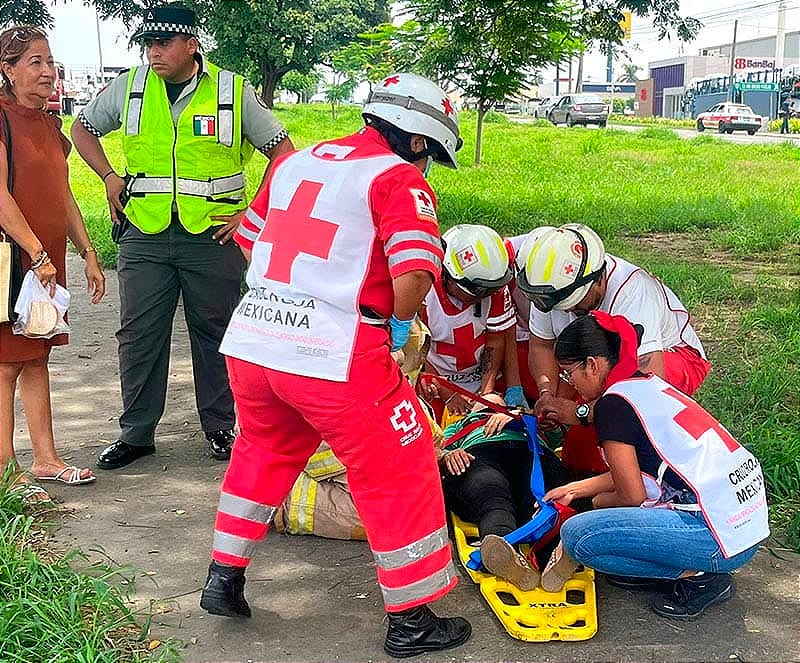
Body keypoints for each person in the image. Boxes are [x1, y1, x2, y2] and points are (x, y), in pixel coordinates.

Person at [199, 72, 471, 658]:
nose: (427, 167)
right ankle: (412, 620)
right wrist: (393, 323)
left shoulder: (293, 165)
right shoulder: (397, 178)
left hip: (254, 342)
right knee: (399, 466)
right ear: (417, 140)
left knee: (262, 450)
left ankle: (224, 575)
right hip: (336, 354)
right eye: (430, 154)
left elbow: (249, 239)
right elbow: (414, 273)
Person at [70, 4, 294, 469]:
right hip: (144, 232)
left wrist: (253, 214)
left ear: (192, 45)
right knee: (138, 334)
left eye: (163, 43)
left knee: (216, 331)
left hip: (213, 237)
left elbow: (284, 153)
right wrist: (109, 177)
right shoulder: (130, 87)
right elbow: (82, 129)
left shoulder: (232, 91)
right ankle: (136, 434)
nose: (153, 52)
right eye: (148, 44)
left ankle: (220, 427)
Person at [542, 311, 768, 619]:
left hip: (716, 539)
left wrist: (595, 504)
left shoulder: (611, 406)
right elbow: (637, 472)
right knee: (604, 519)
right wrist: (577, 489)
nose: (571, 383)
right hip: (745, 526)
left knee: (578, 537)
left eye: (569, 374)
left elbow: (632, 495)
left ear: (592, 365)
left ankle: (701, 578)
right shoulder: (646, 385)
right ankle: (677, 564)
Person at [0, 25, 105, 498]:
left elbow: (63, 196)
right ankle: (6, 470)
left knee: (37, 357)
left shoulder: (49, 126)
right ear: (8, 70)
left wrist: (88, 252)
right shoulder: (1, 119)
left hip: (45, 263)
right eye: (35, 62)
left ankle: (46, 459)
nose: (48, 72)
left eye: (50, 62)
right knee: (6, 364)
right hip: (14, 261)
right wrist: (36, 252)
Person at [515, 223, 710, 477]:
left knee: (609, 433)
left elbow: (648, 387)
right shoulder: (547, 287)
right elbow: (541, 344)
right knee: (578, 452)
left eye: (574, 303)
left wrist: (582, 412)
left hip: (672, 358)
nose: (568, 311)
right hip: (599, 364)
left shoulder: (632, 291)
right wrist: (547, 394)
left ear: (598, 280)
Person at [440, 394, 576, 590]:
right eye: (483, 399)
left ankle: (554, 555)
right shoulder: (460, 425)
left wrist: (525, 415)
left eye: (498, 398)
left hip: (532, 453)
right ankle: (504, 550)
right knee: (493, 497)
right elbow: (436, 449)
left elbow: (558, 434)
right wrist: (448, 455)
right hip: (479, 454)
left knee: (543, 501)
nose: (493, 399)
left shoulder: (526, 415)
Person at [417, 224, 525, 420]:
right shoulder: (425, 293)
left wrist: (486, 393)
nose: (489, 295)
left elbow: (496, 342)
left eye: (494, 288)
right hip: (436, 382)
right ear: (450, 277)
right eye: (480, 291)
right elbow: (418, 349)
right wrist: (447, 393)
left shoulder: (494, 290)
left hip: (482, 378)